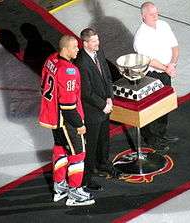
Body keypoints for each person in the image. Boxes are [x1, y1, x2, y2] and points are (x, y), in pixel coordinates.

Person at [38, 35, 95, 206]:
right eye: (75, 47)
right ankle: (75, 194)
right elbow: (68, 105)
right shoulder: (69, 71)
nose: (78, 50)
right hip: (66, 121)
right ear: (65, 49)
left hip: (53, 118)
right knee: (78, 154)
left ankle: (60, 188)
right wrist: (80, 125)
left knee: (60, 151)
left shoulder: (51, 60)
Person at [74, 28, 119, 191]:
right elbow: (86, 92)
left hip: (105, 106)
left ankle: (104, 164)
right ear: (85, 43)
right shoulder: (81, 62)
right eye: (94, 41)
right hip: (92, 111)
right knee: (91, 145)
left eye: (97, 40)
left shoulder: (99, 53)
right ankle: (86, 178)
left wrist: (110, 98)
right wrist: (103, 105)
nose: (97, 43)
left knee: (104, 139)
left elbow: (107, 76)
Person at [133, 2, 180, 151]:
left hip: (167, 71)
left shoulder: (164, 25)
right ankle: (151, 138)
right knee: (151, 107)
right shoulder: (140, 37)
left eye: (156, 13)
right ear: (143, 16)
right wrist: (167, 68)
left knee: (164, 104)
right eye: (152, 14)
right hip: (151, 75)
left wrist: (172, 64)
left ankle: (161, 133)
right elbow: (149, 60)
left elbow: (175, 47)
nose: (155, 16)